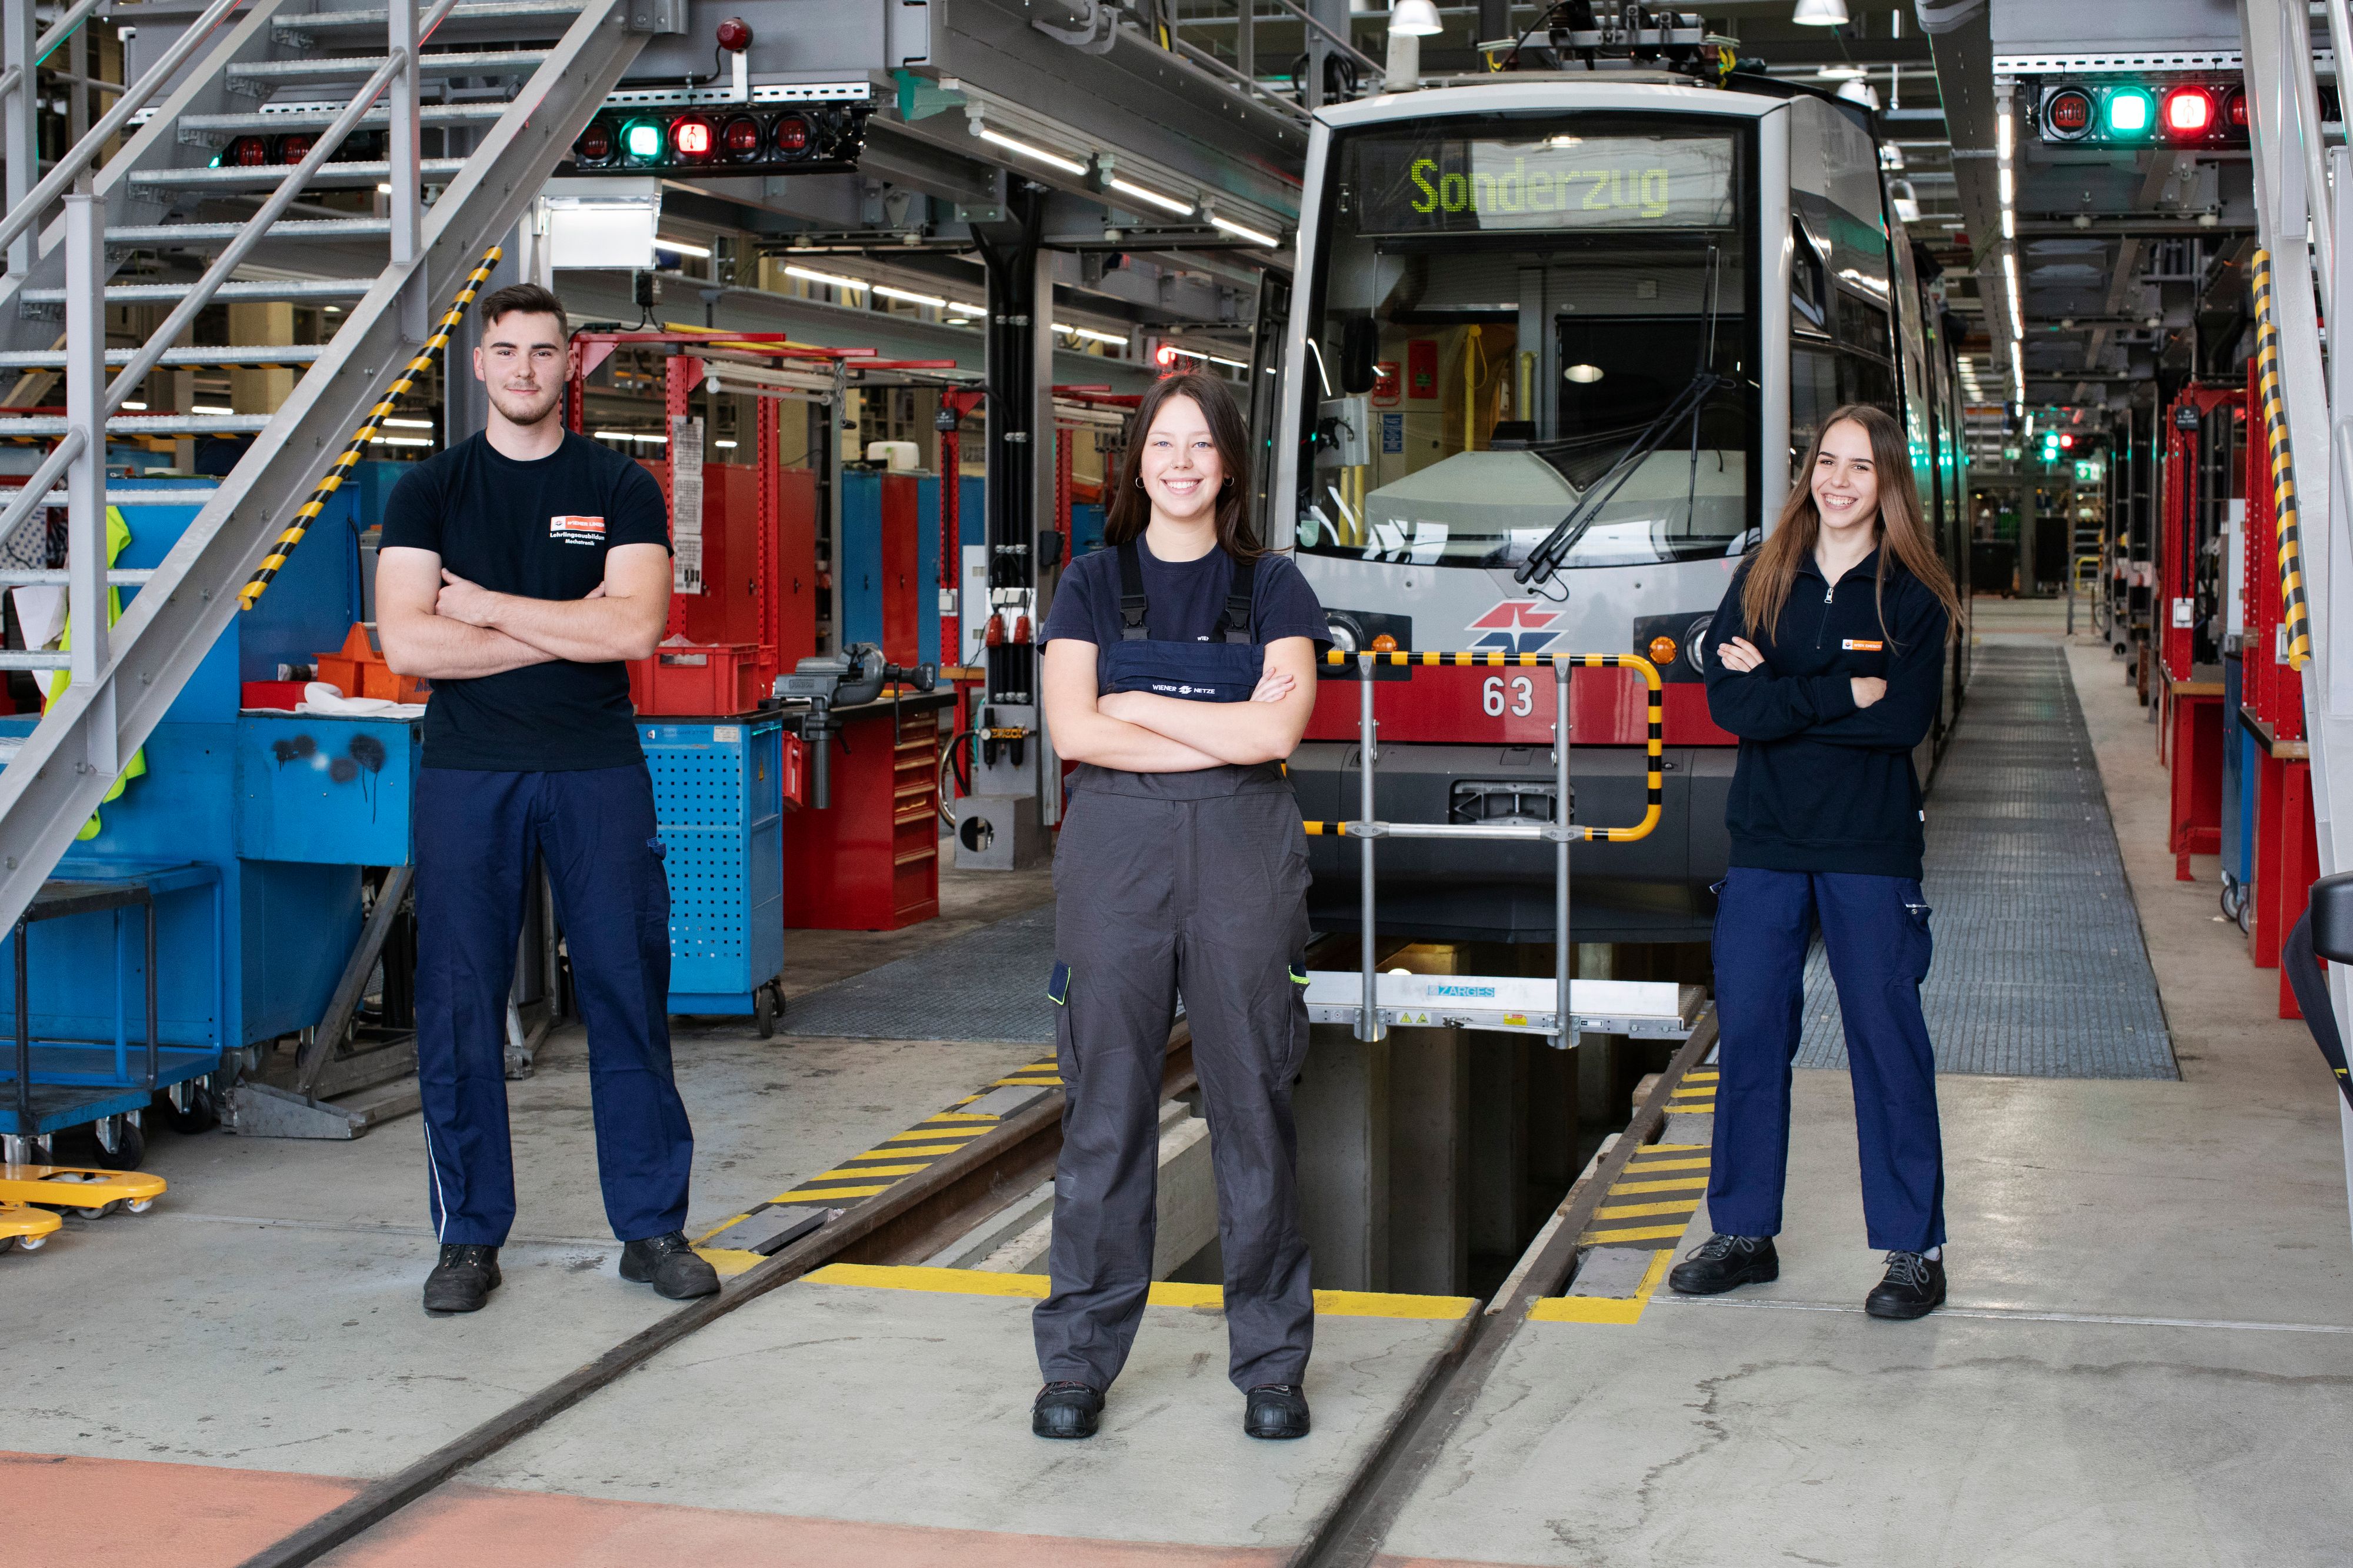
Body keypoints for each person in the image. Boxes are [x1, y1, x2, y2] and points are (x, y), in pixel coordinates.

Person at [377, 282, 717, 1315]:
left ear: (570, 364)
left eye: (542, 351)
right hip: (468, 773)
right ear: (479, 363)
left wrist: (482, 607)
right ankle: (467, 1237)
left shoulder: (620, 484)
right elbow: (408, 644)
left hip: (595, 769)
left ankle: (652, 1228)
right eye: (507, 351)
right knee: (458, 1003)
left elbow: (634, 629)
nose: (524, 368)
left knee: (625, 989)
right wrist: (566, 623)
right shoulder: (428, 490)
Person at [1031, 371, 1328, 1440]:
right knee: (1105, 1110)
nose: (1183, 462)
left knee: (1253, 1104)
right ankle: (1077, 1361)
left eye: (1203, 444)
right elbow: (1075, 733)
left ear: (1231, 464)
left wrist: (1140, 699)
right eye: (1165, 443)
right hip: (1117, 860)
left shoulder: (1276, 585)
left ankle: (1272, 1366)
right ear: (1138, 462)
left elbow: (1276, 736)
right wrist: (1220, 719)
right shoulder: (1090, 582)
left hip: (1245, 855)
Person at [1673, 403, 1965, 1321]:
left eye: (1860, 467)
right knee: (1752, 1033)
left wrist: (1782, 692)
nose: (1838, 481)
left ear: (1888, 483)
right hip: (1766, 843)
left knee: (1886, 1041)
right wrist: (1843, 690)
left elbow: (1902, 721)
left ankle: (1914, 1250)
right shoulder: (1765, 575)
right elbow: (1731, 706)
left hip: (1869, 849)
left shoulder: (1915, 594)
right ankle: (1743, 1233)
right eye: (1827, 462)